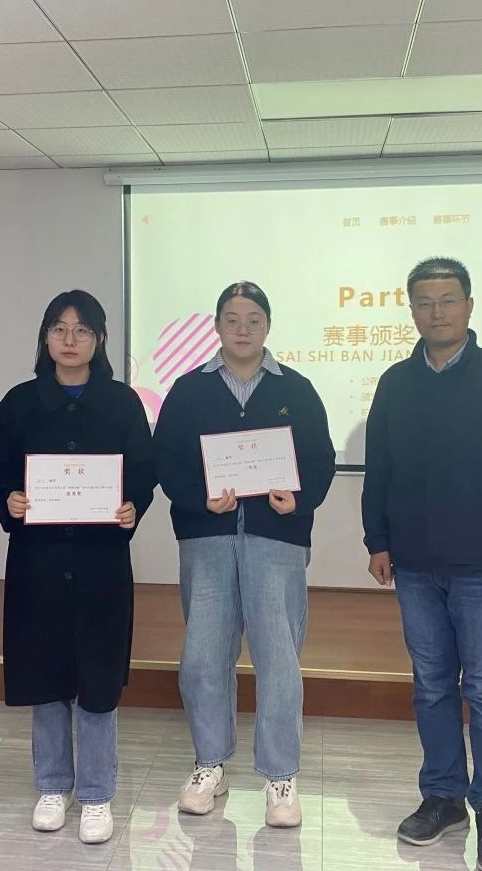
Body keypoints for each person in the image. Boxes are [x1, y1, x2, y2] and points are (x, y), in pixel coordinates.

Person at [361, 257, 482, 871]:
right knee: (432, 685)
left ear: (469, 306)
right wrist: (377, 540)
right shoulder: (396, 383)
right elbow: (379, 468)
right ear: (411, 310)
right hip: (415, 565)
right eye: (424, 302)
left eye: (447, 300)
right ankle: (443, 797)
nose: (436, 312)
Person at [154, 281, 336, 829]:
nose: (242, 329)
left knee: (278, 659)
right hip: (206, 538)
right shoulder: (189, 389)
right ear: (216, 326)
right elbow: (167, 461)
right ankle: (209, 764)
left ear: (267, 326)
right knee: (202, 657)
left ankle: (280, 777)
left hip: (276, 537)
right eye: (231, 319)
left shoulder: (296, 389)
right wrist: (199, 499)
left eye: (253, 319)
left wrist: (297, 498)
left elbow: (320, 459)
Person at [0, 290, 155, 845]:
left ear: (99, 340)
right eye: (59, 329)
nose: (70, 340)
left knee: (98, 674)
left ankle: (97, 793)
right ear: (45, 338)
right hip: (40, 560)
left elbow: (143, 471)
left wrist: (132, 505)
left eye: (82, 330)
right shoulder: (20, 402)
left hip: (101, 560)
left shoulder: (122, 402)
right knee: (46, 670)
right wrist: (8, 499)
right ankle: (53, 785)